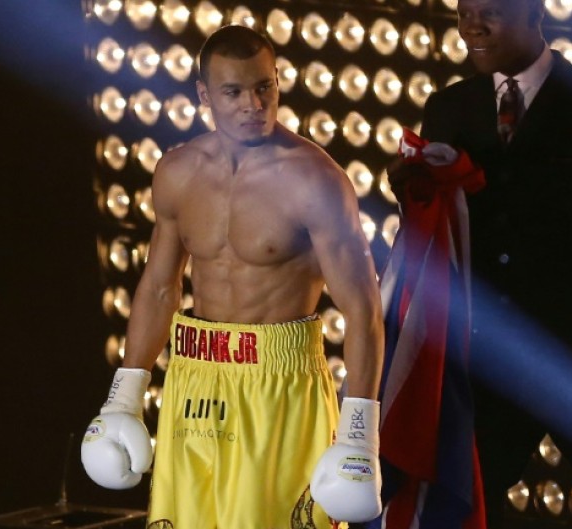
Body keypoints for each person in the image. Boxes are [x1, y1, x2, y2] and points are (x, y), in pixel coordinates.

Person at [80, 25, 384, 529]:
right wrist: (123, 399)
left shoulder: (316, 181)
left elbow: (363, 311)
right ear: (204, 94)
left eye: (264, 87)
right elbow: (160, 288)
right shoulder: (178, 172)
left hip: (280, 384)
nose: (253, 104)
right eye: (234, 92)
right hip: (193, 377)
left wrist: (358, 434)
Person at [387, 1, 572, 528]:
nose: (472, 24)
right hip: (483, 359)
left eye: (489, 11)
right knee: (465, 508)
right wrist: (411, 193)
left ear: (534, 12)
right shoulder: (448, 109)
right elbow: (436, 235)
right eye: (463, 10)